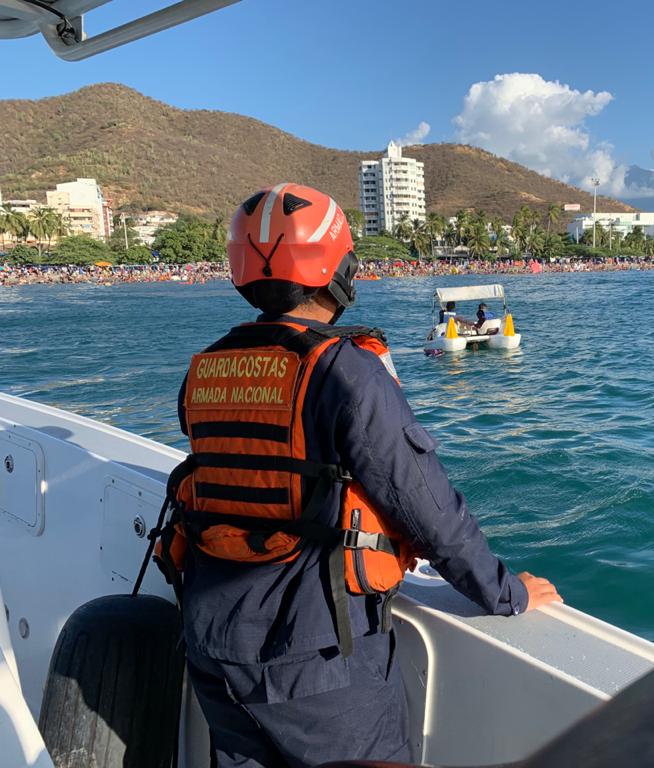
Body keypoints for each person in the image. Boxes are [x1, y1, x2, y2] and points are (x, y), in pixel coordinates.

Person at [157, 184, 560, 768]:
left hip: (211, 644)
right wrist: (506, 593)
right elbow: (428, 505)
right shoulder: (346, 372)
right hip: (312, 658)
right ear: (340, 271)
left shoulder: (206, 370)